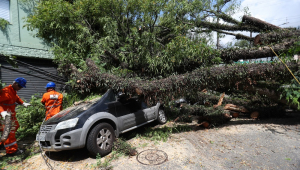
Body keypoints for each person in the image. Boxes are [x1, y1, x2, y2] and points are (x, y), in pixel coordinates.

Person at [0, 77, 31, 156]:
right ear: (15, 84)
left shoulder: (13, 91)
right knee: (10, 132)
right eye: (20, 86)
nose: (20, 88)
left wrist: (23, 103)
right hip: (5, 116)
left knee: (16, 126)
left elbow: (16, 98)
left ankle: (2, 144)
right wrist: (2, 112)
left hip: (11, 115)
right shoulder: (5, 91)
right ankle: (11, 151)